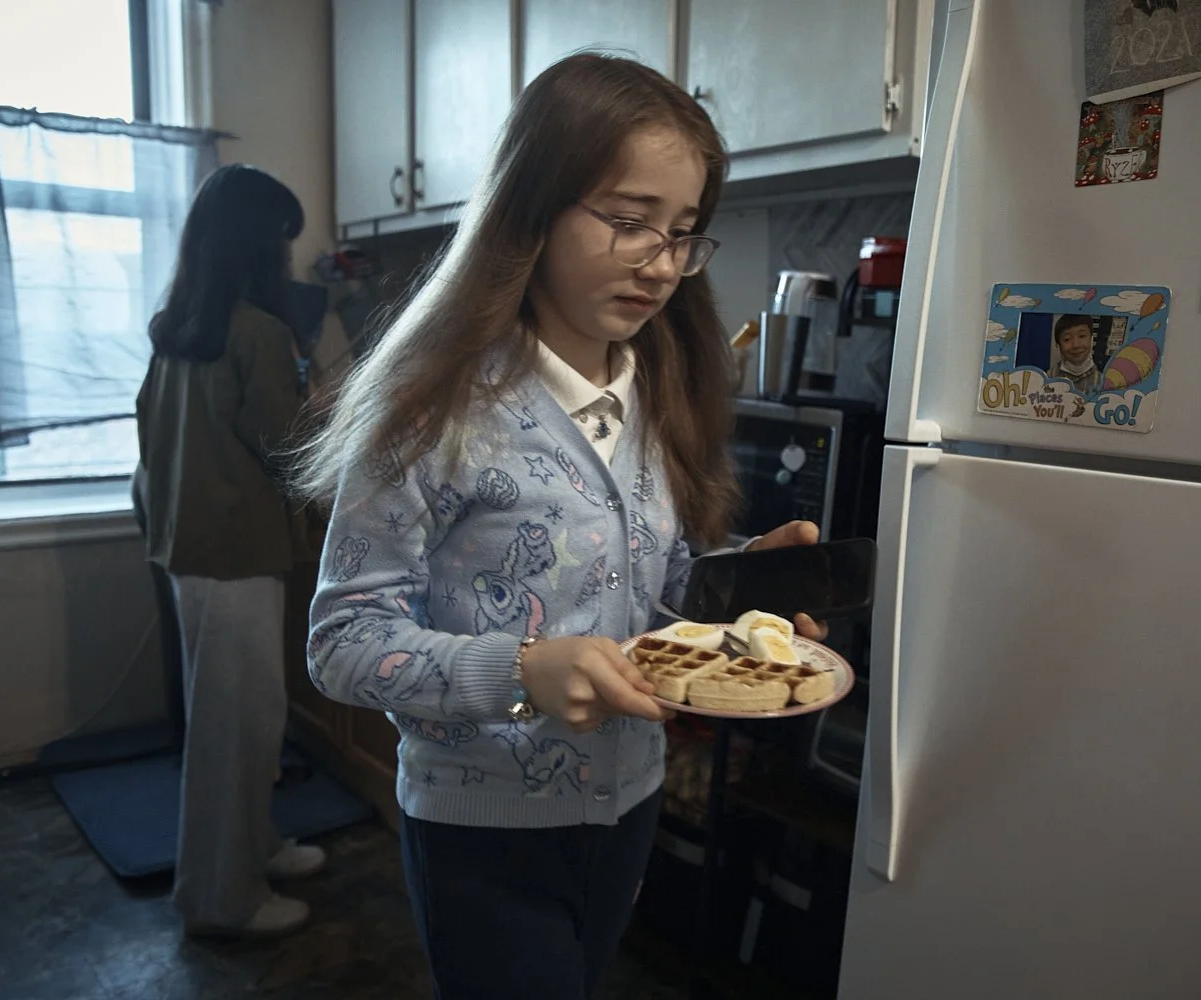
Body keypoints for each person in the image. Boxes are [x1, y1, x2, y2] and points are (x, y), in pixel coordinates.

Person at [297, 54, 825, 999]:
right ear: (532, 208)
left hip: (628, 801)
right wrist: (519, 672)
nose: (663, 262)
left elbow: (653, 588)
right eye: (629, 222)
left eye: (685, 233)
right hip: (479, 822)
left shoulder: (659, 393)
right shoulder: (429, 411)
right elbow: (343, 643)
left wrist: (743, 594)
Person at [135, 163, 325, 939]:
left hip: (192, 551)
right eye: (281, 240)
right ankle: (222, 898)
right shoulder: (259, 332)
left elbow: (153, 434)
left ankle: (257, 847)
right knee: (238, 729)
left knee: (239, 718)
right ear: (256, 242)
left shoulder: (178, 328)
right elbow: (288, 449)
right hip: (239, 554)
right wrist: (328, 415)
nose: (286, 257)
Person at [1048, 314, 1102, 395]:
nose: (1076, 345)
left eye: (1082, 336)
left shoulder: (1102, 382)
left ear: (1091, 339)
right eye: (1067, 339)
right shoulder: (1049, 378)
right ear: (1058, 345)